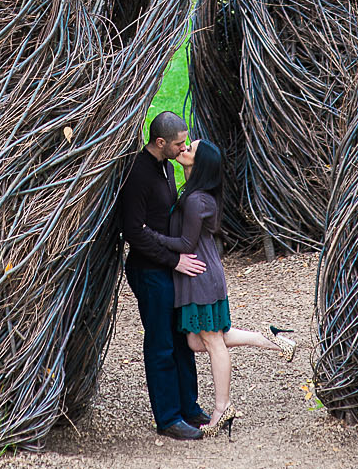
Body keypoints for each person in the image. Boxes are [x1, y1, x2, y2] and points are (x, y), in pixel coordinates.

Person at [157, 139, 295, 439]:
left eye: (189, 149)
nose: (183, 150)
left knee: (212, 341)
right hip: (204, 275)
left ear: (200, 163)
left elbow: (185, 245)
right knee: (197, 341)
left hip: (200, 278)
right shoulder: (198, 194)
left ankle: (222, 409)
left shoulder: (196, 200)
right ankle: (268, 340)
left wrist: (148, 236)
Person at [119, 111, 210, 441]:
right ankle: (168, 417)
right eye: (178, 143)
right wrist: (174, 260)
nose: (183, 147)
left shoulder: (168, 167)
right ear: (160, 142)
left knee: (182, 339)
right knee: (160, 344)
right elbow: (134, 232)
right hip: (149, 271)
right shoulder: (138, 175)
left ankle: (189, 407)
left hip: (168, 268)